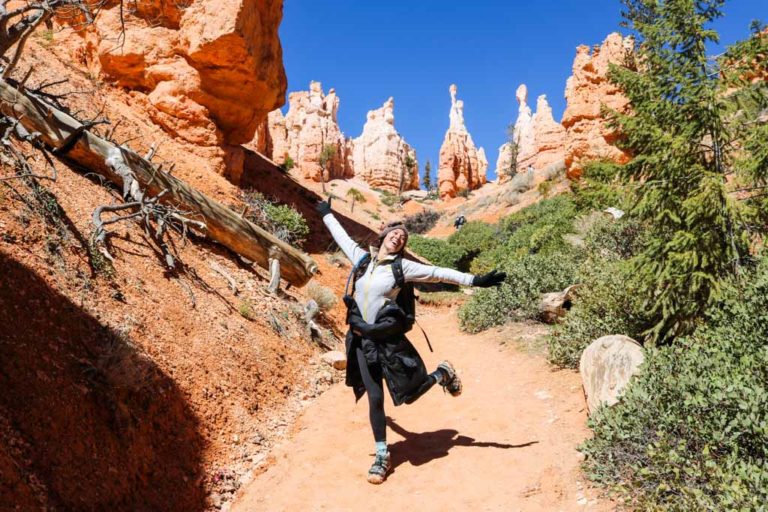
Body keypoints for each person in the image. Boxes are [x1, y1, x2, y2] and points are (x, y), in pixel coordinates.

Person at [316, 199, 506, 484]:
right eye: (395, 232)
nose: (398, 236)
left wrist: (475, 280)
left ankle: (442, 373)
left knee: (409, 394)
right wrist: (327, 214)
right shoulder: (362, 260)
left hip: (387, 342)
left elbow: (439, 272)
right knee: (376, 397)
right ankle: (382, 455)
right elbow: (341, 236)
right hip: (361, 342)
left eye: (403, 237)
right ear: (383, 235)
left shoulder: (403, 268)